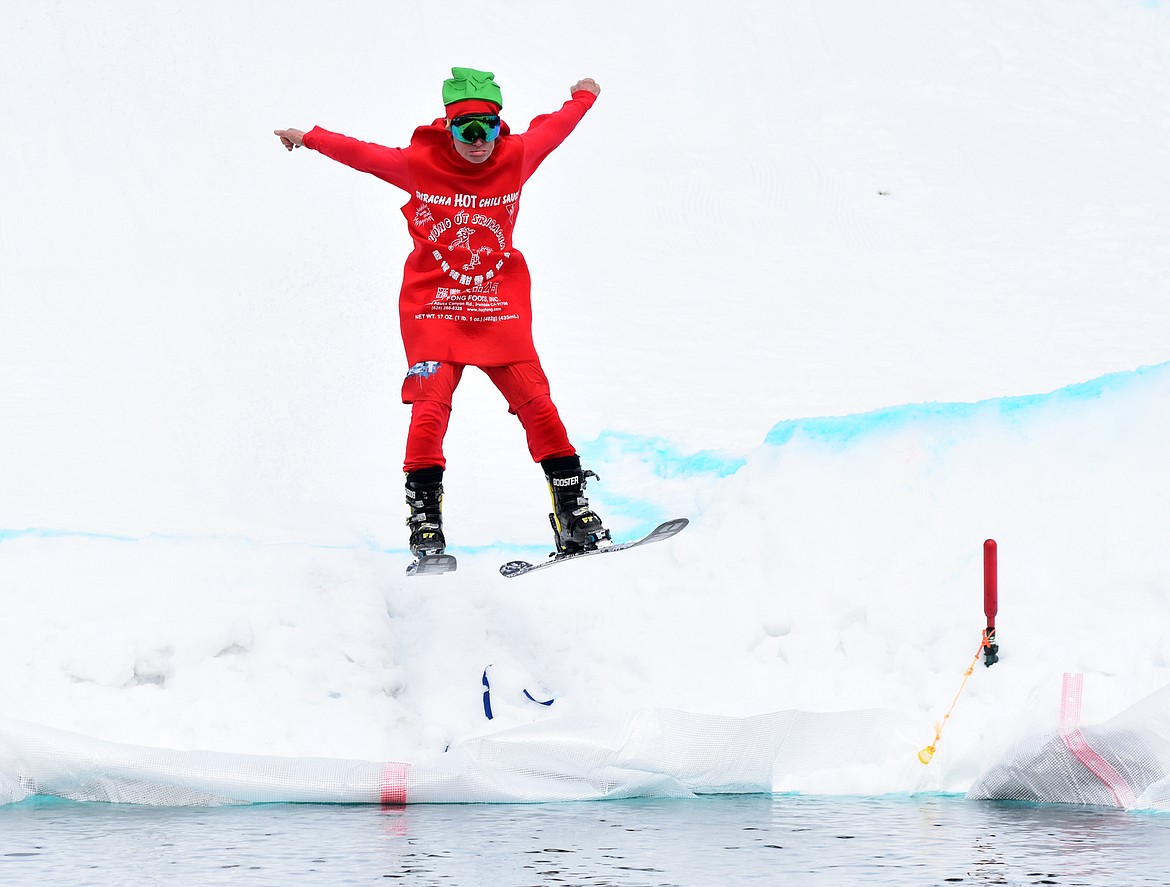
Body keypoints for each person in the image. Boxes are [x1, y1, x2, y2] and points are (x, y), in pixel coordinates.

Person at [274, 67, 610, 560]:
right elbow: (364, 156)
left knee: (539, 404)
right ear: (448, 128)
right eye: (466, 129)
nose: (479, 140)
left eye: (488, 127)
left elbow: (554, 128)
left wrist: (582, 97)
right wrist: (309, 138)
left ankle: (575, 515)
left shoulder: (515, 157)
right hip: (434, 308)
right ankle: (425, 525)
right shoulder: (418, 165)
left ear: (500, 126)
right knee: (430, 408)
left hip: (498, 305)